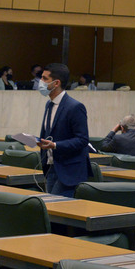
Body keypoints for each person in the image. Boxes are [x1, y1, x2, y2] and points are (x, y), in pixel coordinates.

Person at [36, 63, 91, 197]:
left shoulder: (75, 107)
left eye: (44, 78)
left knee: (54, 209)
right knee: (51, 209)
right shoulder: (49, 104)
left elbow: (82, 140)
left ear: (56, 83)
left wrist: (55, 145)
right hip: (51, 166)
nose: (40, 82)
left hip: (69, 169)